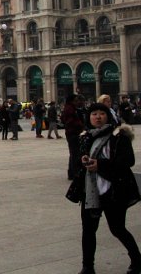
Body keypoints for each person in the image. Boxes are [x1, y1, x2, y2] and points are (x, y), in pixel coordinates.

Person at [75, 103, 141, 274]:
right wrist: (83, 161)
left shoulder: (119, 135)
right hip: (91, 191)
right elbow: (79, 161)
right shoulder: (86, 136)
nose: (97, 117)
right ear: (88, 118)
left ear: (108, 116)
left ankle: (137, 261)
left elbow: (128, 161)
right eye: (94, 114)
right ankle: (87, 267)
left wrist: (100, 165)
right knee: (88, 231)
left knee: (118, 228)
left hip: (114, 190)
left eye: (101, 113)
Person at [63, 94, 86, 181]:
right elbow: (69, 121)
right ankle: (74, 173)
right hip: (72, 133)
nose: (77, 102)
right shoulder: (70, 109)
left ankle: (72, 172)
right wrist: (80, 124)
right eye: (75, 100)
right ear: (71, 101)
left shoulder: (70, 108)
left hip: (71, 132)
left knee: (73, 153)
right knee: (75, 153)